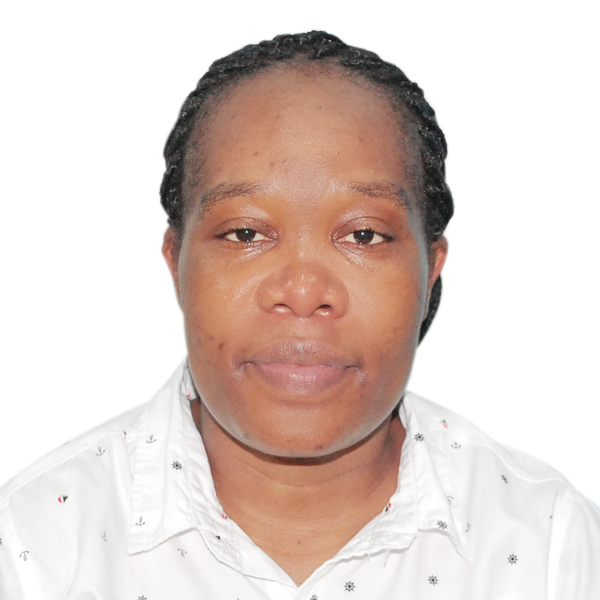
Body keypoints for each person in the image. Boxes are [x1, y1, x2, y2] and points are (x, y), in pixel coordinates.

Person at [0, 30, 598, 599]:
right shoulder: (33, 550)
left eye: (364, 234)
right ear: (176, 262)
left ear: (430, 270)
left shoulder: (554, 552)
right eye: (245, 233)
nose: (305, 290)